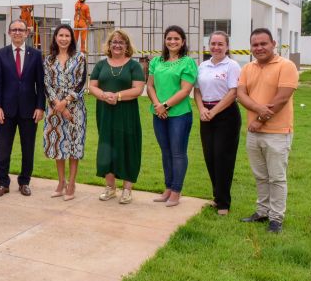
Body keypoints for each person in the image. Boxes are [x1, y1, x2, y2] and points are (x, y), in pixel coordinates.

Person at [236, 28, 298, 234]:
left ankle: (276, 219)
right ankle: (262, 212)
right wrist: (259, 111)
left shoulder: (286, 66)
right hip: (254, 133)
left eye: (263, 43)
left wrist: (260, 120)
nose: (259, 48)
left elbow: (282, 98)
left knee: (277, 178)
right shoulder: (248, 68)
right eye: (255, 45)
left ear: (273, 44)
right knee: (260, 175)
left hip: (278, 132)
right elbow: (241, 95)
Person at [88, 30, 145, 204]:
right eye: (114, 42)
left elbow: (138, 89)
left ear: (127, 45)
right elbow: (92, 86)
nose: (117, 45)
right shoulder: (101, 65)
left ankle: (127, 190)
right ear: (109, 44)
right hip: (105, 112)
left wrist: (118, 96)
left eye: (121, 42)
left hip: (127, 113)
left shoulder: (134, 66)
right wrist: (104, 95)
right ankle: (110, 187)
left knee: (128, 146)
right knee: (107, 146)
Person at [0, 19, 45, 197]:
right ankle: (3, 183)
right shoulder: (1, 54)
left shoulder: (36, 54)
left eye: (20, 30)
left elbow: (41, 84)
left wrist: (40, 107)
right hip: (6, 110)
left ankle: (24, 182)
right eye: (14, 29)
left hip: (29, 110)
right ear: (9, 33)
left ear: (26, 33)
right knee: (3, 149)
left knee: (28, 148)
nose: (17, 32)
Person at [147, 25, 198, 208]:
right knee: (165, 152)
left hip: (179, 115)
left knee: (178, 153)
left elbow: (185, 90)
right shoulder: (156, 61)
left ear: (183, 42)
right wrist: (157, 105)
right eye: (169, 38)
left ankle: (176, 190)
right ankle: (168, 188)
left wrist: (166, 106)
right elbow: (150, 86)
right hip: (158, 114)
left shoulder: (187, 62)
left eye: (176, 38)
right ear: (165, 40)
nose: (172, 41)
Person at [194, 31, 241, 216]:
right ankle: (217, 196)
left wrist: (214, 111)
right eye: (213, 43)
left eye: (220, 44)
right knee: (210, 156)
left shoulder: (232, 65)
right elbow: (197, 90)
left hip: (226, 115)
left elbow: (233, 92)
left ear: (227, 46)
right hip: (206, 114)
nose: (216, 47)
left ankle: (224, 203)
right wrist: (202, 109)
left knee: (223, 158)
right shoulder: (203, 66)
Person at [43, 24, 87, 201]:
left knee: (74, 146)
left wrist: (66, 102)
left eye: (67, 36)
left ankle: (72, 184)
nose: (63, 39)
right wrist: (58, 105)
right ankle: (61, 182)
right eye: (60, 35)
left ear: (71, 38)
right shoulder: (48, 60)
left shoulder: (80, 57)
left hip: (75, 108)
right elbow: (46, 84)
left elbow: (82, 83)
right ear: (55, 37)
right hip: (54, 109)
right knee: (58, 145)